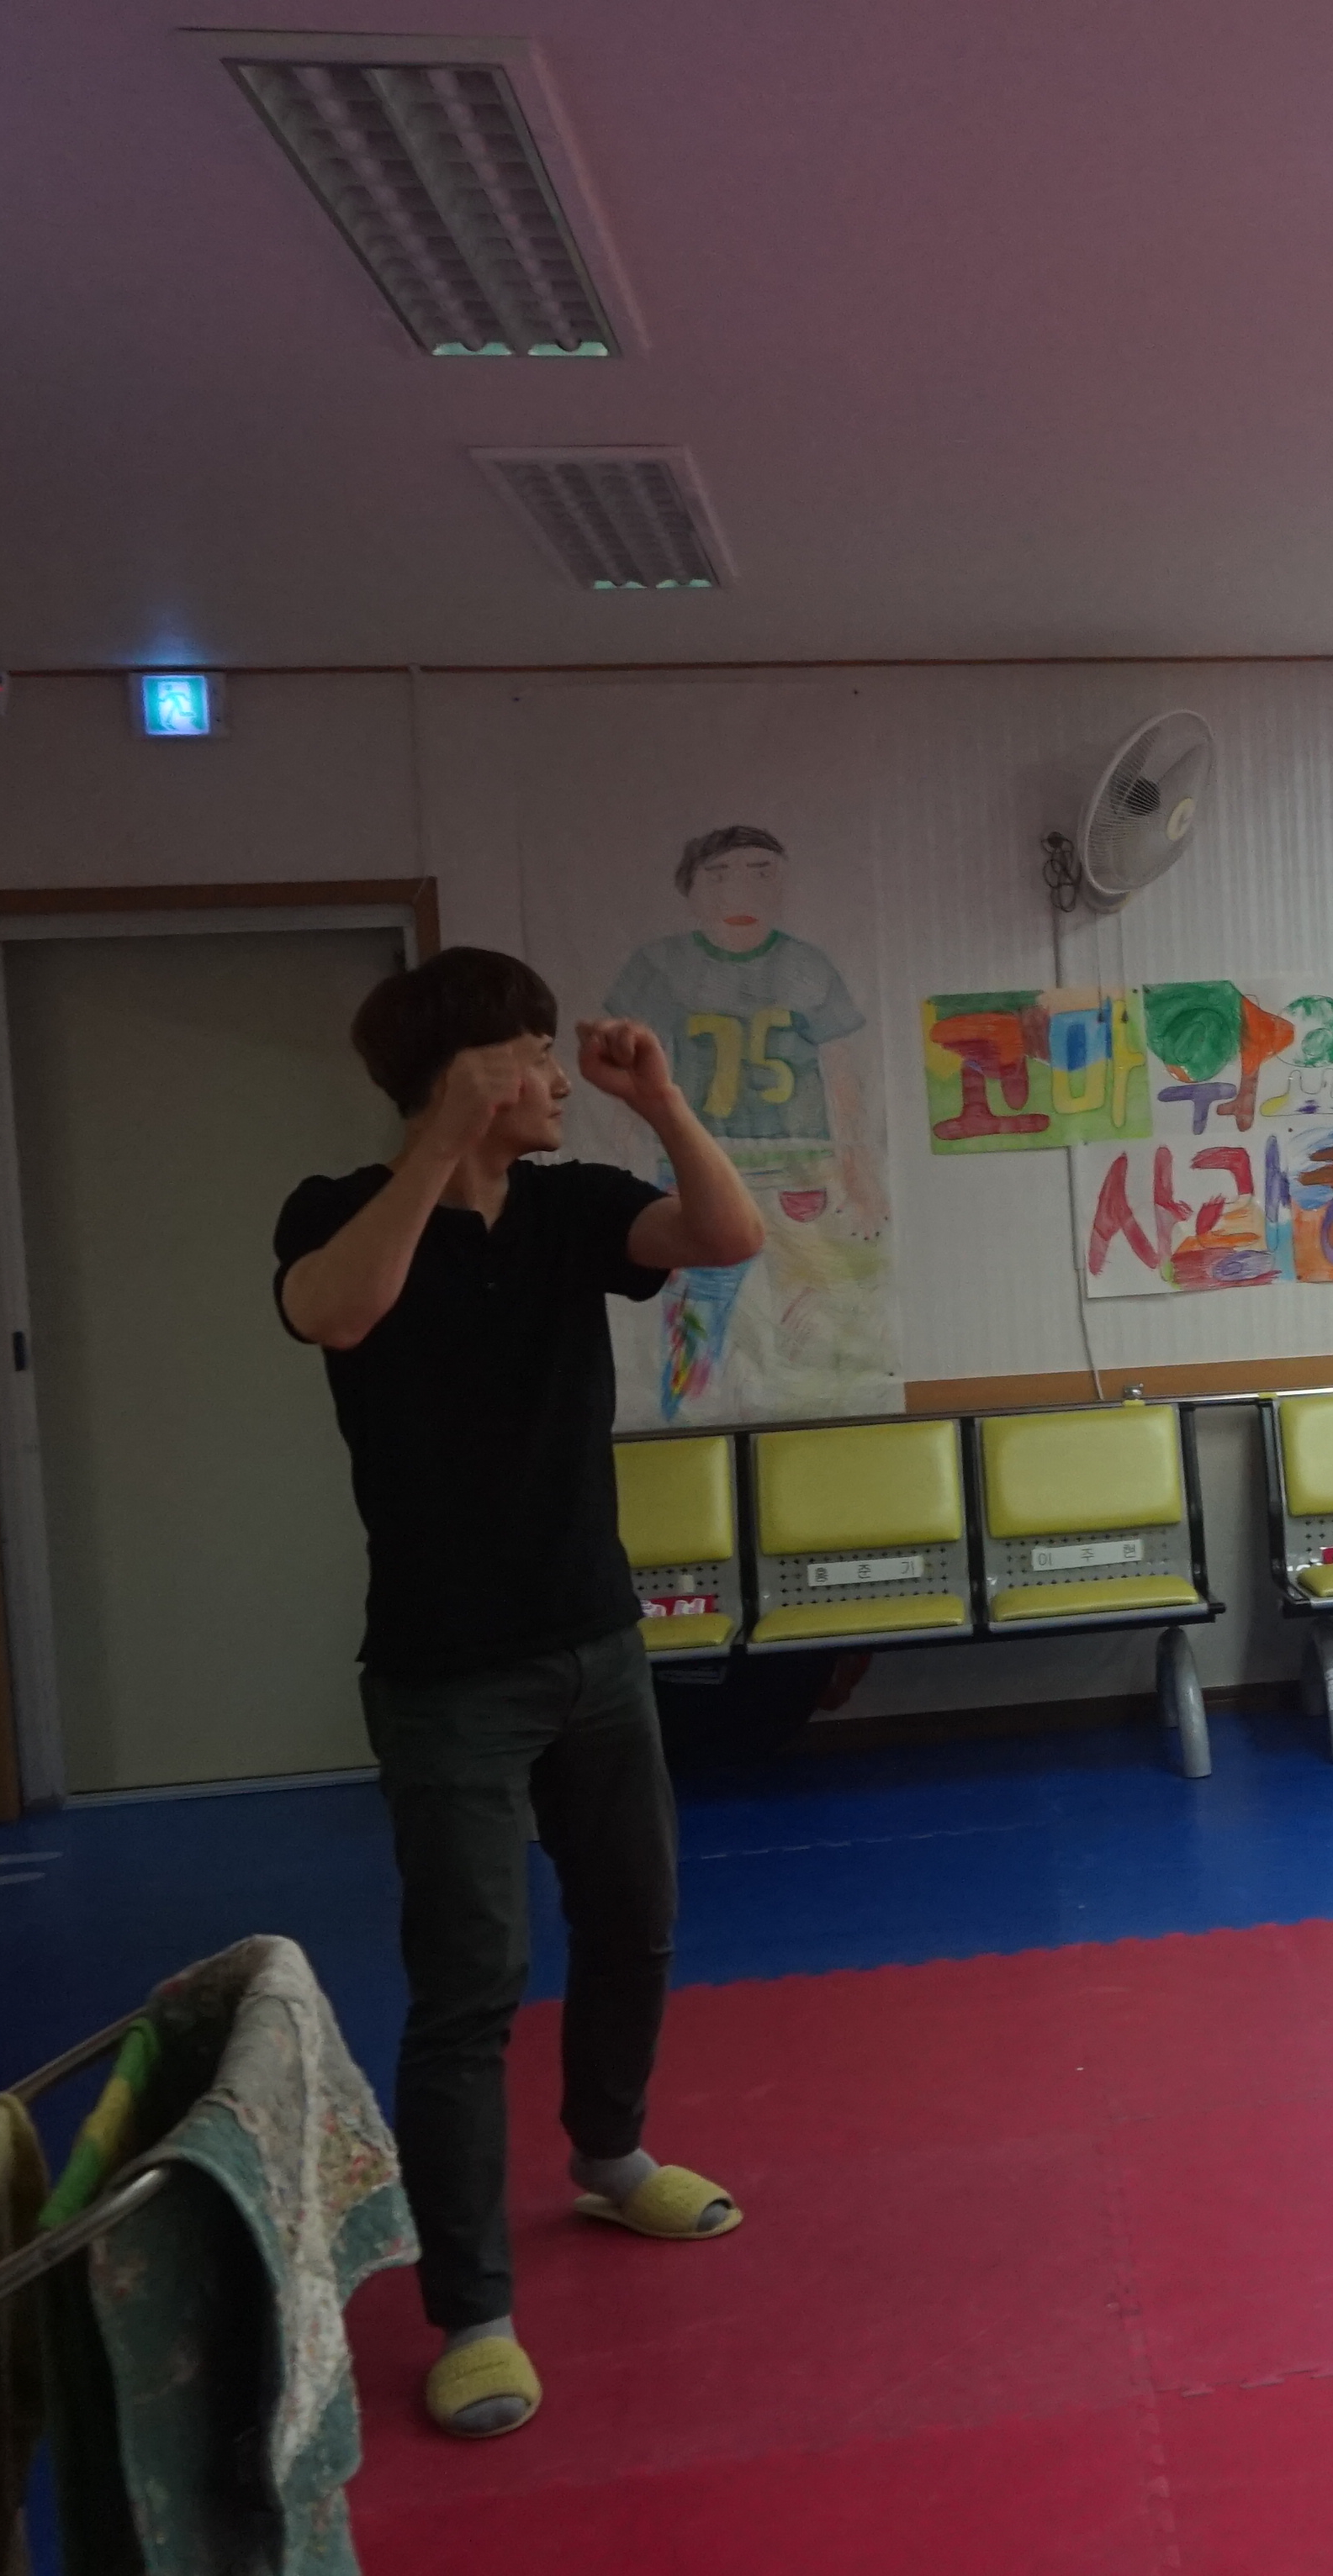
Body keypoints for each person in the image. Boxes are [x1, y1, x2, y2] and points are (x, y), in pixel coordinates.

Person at [273, 948, 769, 2439]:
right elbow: (334, 1314)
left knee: (635, 1917)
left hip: (595, 1641)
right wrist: (439, 1142)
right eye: (535, 1056)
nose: (560, 1077)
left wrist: (661, 1101)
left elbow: (727, 1232)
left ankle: (609, 2157)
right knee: (470, 1986)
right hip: (446, 1676)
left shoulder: (569, 1209)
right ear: (471, 1074)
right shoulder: (334, 1210)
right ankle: (474, 2312)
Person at [600, 824, 895, 1420]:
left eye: (762, 873)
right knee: (695, 1330)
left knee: (814, 1326)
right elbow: (627, 1080)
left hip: (798, 1165)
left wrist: (858, 1172)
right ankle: (688, 1442)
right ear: (689, 889)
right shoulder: (659, 965)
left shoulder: (809, 964)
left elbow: (842, 1076)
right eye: (718, 876)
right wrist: (627, 1172)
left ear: (783, 886)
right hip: (696, 1172)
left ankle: (817, 1453)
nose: (740, 891)